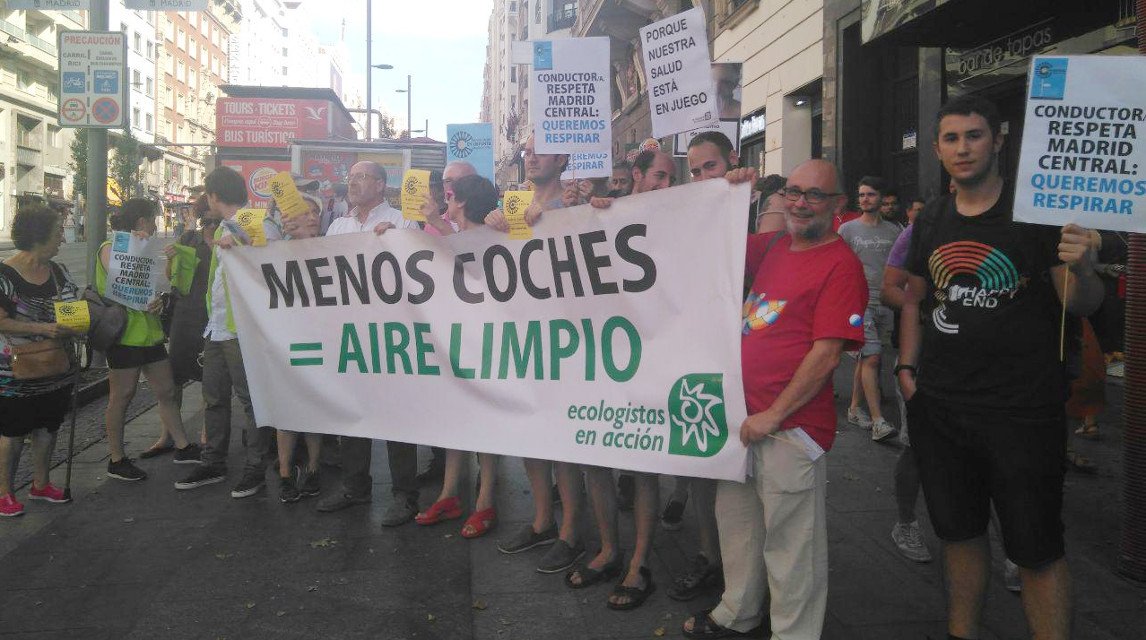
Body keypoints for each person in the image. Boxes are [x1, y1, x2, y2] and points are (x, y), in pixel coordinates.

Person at [899, 95, 1103, 640]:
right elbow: (919, 296)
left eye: (974, 135)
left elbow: (1080, 304)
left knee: (1037, 549)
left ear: (997, 140)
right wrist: (907, 369)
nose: (962, 148)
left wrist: (1081, 267)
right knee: (959, 536)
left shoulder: (1036, 213)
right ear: (939, 148)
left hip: (1022, 412)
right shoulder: (933, 218)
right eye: (951, 138)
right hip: (941, 407)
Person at [682, 159, 867, 639]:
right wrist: (722, 193)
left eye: (815, 195)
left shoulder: (841, 265)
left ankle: (794, 634)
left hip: (790, 428)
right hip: (744, 422)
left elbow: (826, 355)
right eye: (793, 192)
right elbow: (702, 247)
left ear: (838, 205)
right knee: (739, 530)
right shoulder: (774, 246)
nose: (801, 203)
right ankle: (737, 612)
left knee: (792, 546)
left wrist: (775, 414)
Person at [560, 149, 676, 610]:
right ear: (635, 177)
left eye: (670, 176)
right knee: (595, 460)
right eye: (657, 176)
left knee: (643, 463)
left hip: (650, 353)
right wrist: (571, 213)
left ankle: (640, 563)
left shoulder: (685, 212)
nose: (663, 184)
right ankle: (609, 549)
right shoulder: (604, 210)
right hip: (597, 351)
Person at [379, 174, 502, 538]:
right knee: (454, 417)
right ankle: (450, 494)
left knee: (484, 422)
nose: (444, 199)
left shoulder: (490, 234)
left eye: (449, 194)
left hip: (483, 339)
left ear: (459, 201)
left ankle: (485, 500)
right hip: (449, 337)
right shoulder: (440, 229)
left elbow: (470, 258)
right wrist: (391, 236)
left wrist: (434, 222)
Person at [487, 134, 587, 575]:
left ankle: (571, 532)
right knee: (530, 435)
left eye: (540, 150)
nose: (531, 157)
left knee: (562, 438)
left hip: (566, 337)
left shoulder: (575, 205)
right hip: (523, 335)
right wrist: (489, 229)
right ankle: (543, 520)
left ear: (563, 157)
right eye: (527, 151)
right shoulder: (512, 205)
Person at [317, 161, 423, 527]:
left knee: (397, 417)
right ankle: (355, 486)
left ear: (380, 184)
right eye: (351, 177)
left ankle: (405, 495)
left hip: (393, 334)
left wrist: (398, 240)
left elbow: (420, 269)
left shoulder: (403, 221)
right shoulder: (338, 226)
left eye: (361, 176)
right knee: (354, 412)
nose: (353, 182)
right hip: (352, 333)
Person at [174, 166, 279, 497]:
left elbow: (274, 262)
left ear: (215, 196)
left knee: (251, 401)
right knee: (214, 397)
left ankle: (255, 467)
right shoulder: (222, 228)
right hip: (218, 327)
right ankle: (213, 461)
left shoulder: (257, 223)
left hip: (244, 330)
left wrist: (246, 242)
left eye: (207, 194)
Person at [98, 199, 199, 481]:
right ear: (141, 221)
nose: (155, 225)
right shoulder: (110, 248)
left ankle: (182, 446)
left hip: (150, 334)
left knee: (166, 390)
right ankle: (116, 459)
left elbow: (145, 288)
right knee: (122, 396)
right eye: (153, 220)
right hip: (124, 335)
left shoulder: (144, 249)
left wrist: (156, 303)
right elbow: (122, 284)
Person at [0, 205, 82, 516]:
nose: (62, 238)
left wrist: (80, 323)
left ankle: (41, 484)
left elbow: (73, 307)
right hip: (15, 371)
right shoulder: (5, 275)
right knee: (12, 432)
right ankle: (4, 492)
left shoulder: (58, 271)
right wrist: (42, 328)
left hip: (55, 366)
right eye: (57, 232)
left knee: (48, 427)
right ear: (38, 236)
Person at [142, 194, 216, 459]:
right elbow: (171, 276)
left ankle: (209, 434)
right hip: (185, 314)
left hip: (214, 316)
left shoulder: (228, 240)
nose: (208, 220)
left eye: (210, 214)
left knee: (211, 379)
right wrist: (172, 258)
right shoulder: (189, 239)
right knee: (175, 378)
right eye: (204, 215)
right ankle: (169, 435)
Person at [879, 219, 932, 563]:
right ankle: (906, 521)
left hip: (988, 368)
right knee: (915, 448)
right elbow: (890, 288)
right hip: (925, 359)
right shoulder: (922, 229)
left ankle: (1011, 550)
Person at [840, 176, 901, 441]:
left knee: (868, 358)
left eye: (871, 195)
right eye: (862, 194)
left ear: (881, 198)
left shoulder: (894, 231)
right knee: (873, 357)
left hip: (885, 303)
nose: (865, 199)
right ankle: (878, 421)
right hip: (858, 303)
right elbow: (839, 266)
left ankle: (854, 408)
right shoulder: (848, 230)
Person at [275, 194, 327, 503]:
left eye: (315, 213)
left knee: (313, 409)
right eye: (305, 213)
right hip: (286, 339)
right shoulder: (274, 252)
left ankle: (313, 468)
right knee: (287, 410)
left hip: (320, 340)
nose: (311, 218)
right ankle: (284, 473)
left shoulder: (333, 247)